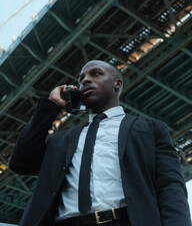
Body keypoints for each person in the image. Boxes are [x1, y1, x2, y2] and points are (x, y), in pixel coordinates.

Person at [9, 60, 191, 226]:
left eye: (95, 74)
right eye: (81, 79)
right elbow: (21, 163)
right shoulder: (60, 140)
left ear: (117, 83)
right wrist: (51, 107)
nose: (85, 81)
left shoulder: (151, 129)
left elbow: (170, 185)